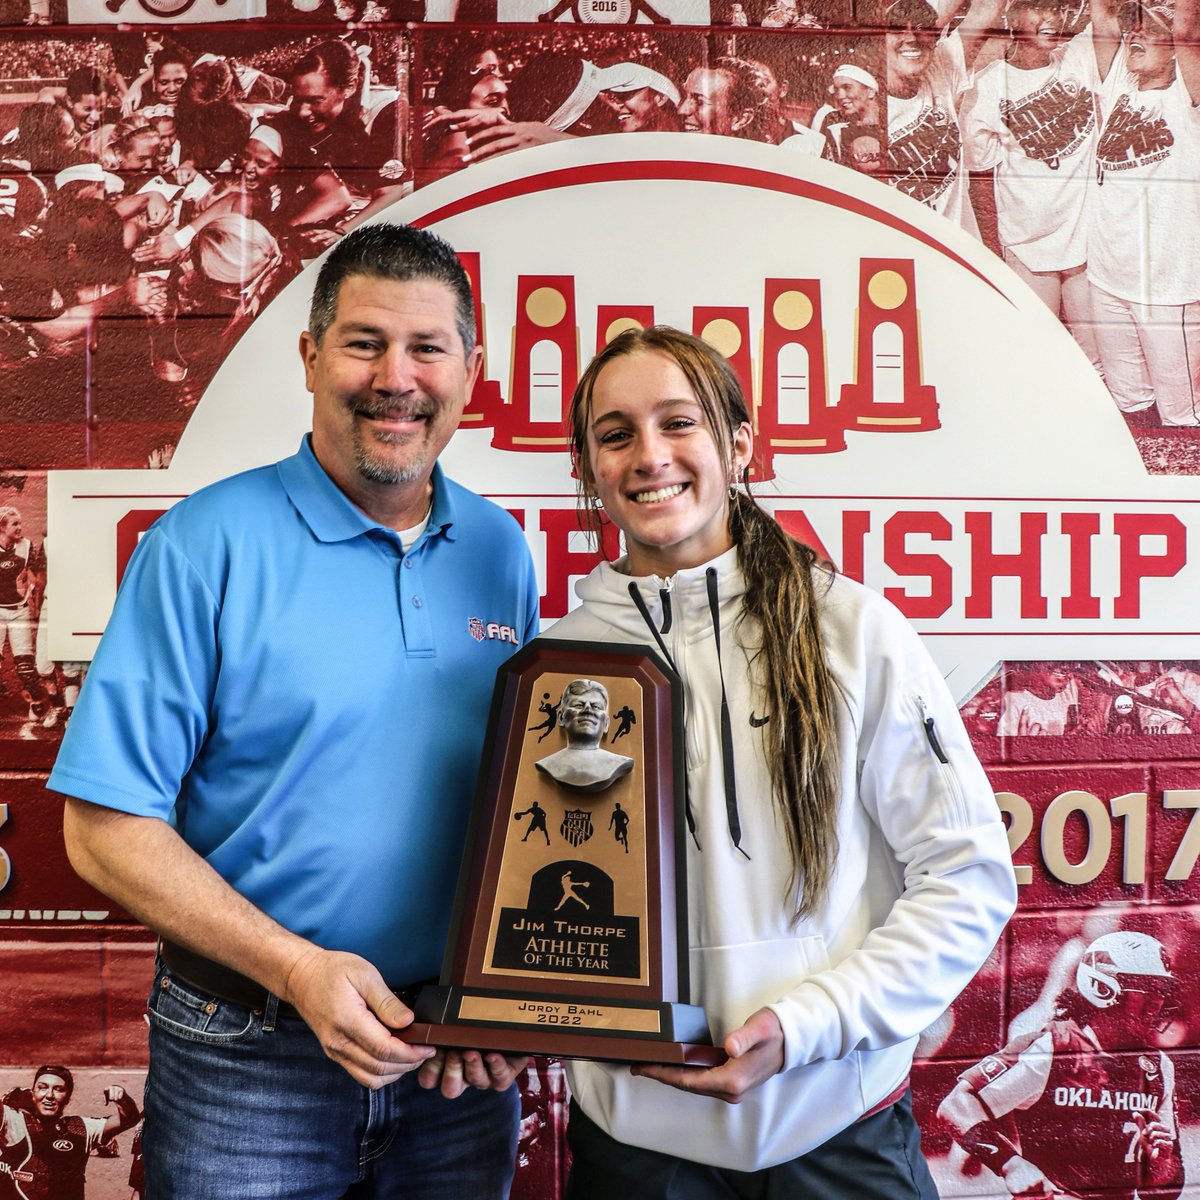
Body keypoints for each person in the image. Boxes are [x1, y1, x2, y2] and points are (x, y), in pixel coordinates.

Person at [49, 222, 541, 1198]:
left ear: (470, 371)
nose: (396, 378)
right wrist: (295, 969)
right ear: (311, 357)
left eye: (427, 348)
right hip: (246, 1057)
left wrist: (514, 986)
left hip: (449, 1062)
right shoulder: (203, 544)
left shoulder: (499, 550)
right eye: (364, 343)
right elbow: (103, 829)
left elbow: (524, 807)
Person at [548, 325, 1017, 1196]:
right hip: (636, 1147)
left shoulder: (851, 630)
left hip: (837, 1127)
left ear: (739, 445)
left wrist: (809, 1024)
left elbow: (968, 877)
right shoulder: (561, 667)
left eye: (678, 423)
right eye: (616, 434)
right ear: (588, 468)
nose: (650, 456)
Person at [939, 930, 1184, 1199]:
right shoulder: (1053, 1047)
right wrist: (1010, 1164)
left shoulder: (1158, 1066)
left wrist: (1160, 1163)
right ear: (1104, 987)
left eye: (1163, 990)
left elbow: (1164, 1193)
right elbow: (955, 1105)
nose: (1157, 1002)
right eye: (1149, 988)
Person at [961, 0, 1103, 372]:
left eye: (1056, 9)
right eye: (1038, 8)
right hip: (1026, 243)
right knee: (1040, 355)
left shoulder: (1078, 57)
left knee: (1097, 360)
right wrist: (992, 251)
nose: (1051, 17)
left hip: (1086, 241)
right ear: (1012, 18)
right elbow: (981, 178)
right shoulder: (986, 86)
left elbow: (1107, 14)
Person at [1086, 0, 1200, 427]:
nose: (1134, 35)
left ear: (1175, 49)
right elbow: (1103, 16)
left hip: (1166, 285)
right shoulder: (1121, 83)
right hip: (1107, 275)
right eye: (1132, 29)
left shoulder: (1188, 98)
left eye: (1150, 31)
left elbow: (1187, 28)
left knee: (1181, 413)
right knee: (1129, 402)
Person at [0, 1065, 141, 1199]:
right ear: (32, 1093)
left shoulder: (80, 1128)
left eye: (58, 1089)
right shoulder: (13, 1120)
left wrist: (123, 1099)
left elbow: (130, 1119)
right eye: (42, 1088)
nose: (49, 1095)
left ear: (68, 1097)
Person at [535, 678, 634, 792]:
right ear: (561, 718)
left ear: (606, 723)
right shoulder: (548, 764)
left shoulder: (619, 763)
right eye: (578, 705)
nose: (587, 710)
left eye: (595, 706)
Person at [0, 506, 49, 726]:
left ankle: (37, 702)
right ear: (2, 528)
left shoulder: (27, 546)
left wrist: (36, 606)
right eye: (15, 524)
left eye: (20, 523)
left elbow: (37, 578)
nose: (20, 527)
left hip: (19, 610)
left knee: (25, 665)